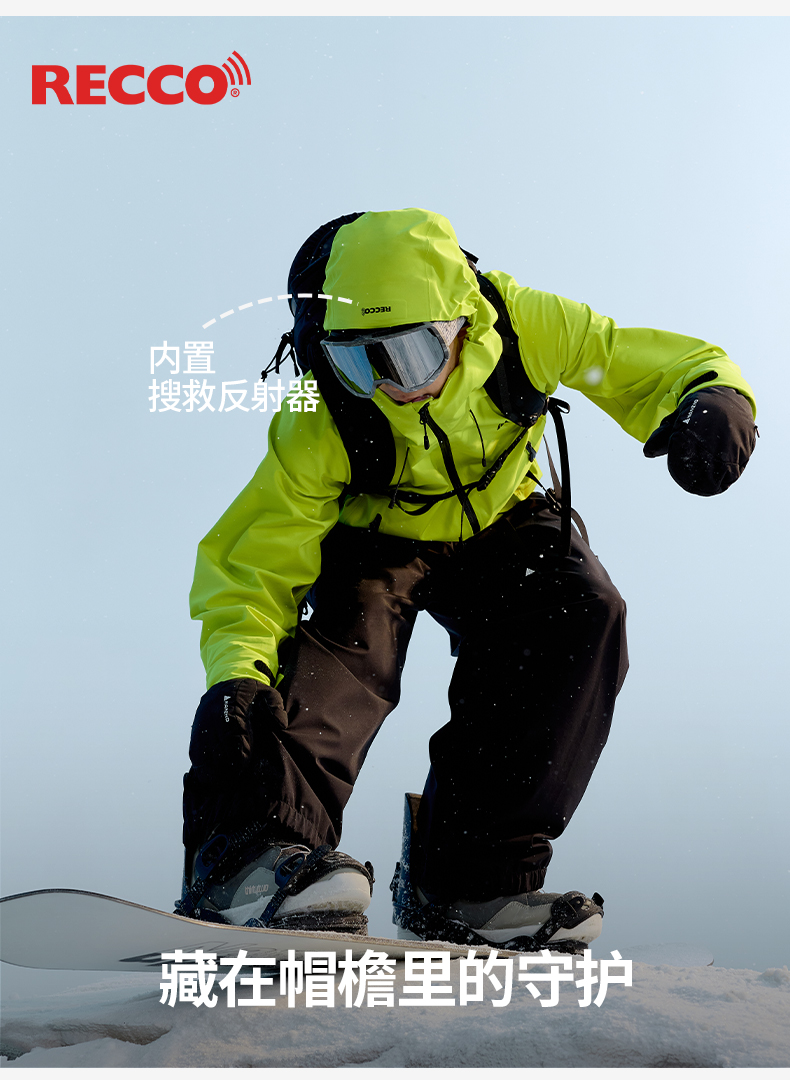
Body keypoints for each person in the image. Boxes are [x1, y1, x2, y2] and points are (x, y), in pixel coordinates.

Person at [176, 208, 757, 949]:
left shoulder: (525, 324)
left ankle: (469, 880)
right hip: (375, 540)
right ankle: (252, 863)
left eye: (410, 355)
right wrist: (236, 675)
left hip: (502, 525)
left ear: (461, 322)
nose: (390, 386)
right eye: (360, 361)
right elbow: (256, 560)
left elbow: (639, 361)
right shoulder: (324, 412)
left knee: (579, 614)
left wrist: (712, 397)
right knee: (343, 653)